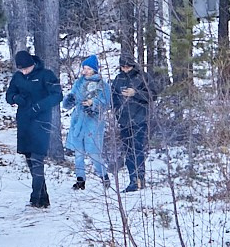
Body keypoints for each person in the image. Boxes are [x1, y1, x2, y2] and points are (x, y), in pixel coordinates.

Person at [5, 48, 61, 209]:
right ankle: (43, 198)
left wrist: (39, 106)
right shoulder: (17, 77)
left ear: (32, 64)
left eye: (26, 68)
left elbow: (57, 95)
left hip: (41, 122)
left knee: (37, 161)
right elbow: (9, 95)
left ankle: (35, 197)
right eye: (21, 69)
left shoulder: (46, 74)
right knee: (29, 159)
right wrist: (15, 98)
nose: (24, 71)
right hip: (24, 122)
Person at [111, 58, 160, 192]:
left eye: (128, 67)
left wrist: (136, 93)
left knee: (137, 149)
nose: (125, 69)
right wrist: (116, 112)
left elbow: (153, 95)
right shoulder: (118, 79)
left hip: (140, 119)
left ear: (133, 65)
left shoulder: (143, 77)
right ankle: (133, 179)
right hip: (124, 120)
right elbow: (113, 97)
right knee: (128, 151)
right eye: (123, 67)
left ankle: (139, 180)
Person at [63, 55, 110, 188]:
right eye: (84, 68)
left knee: (94, 152)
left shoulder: (102, 85)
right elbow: (71, 97)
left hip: (93, 122)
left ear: (94, 69)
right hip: (78, 121)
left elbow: (106, 102)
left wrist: (92, 103)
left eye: (88, 68)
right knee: (78, 153)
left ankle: (104, 176)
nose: (85, 71)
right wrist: (70, 100)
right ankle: (80, 180)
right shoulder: (79, 83)